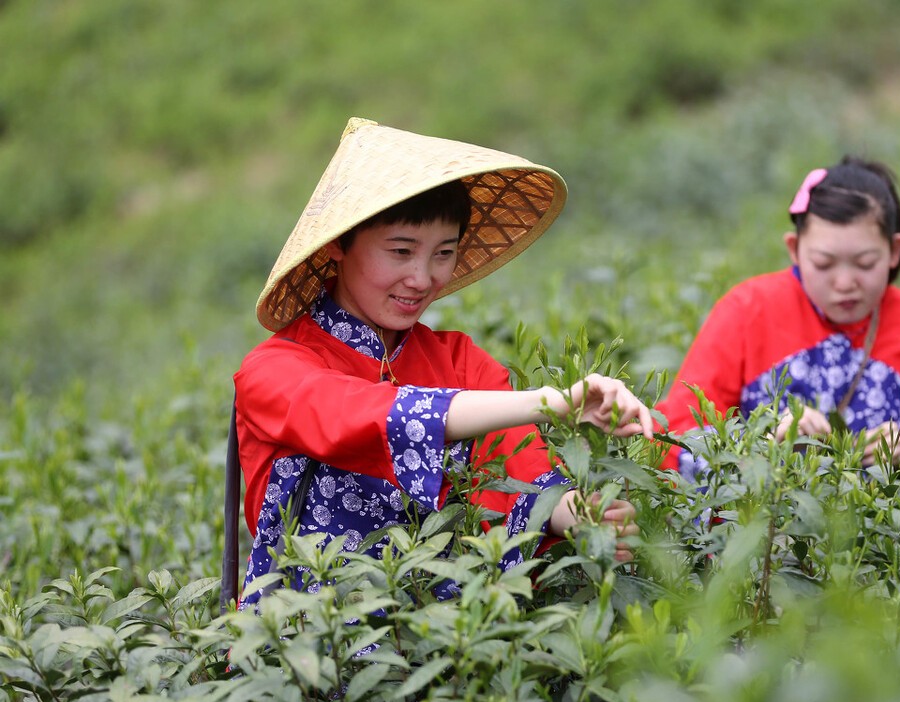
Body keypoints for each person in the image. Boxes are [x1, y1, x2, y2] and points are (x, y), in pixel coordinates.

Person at [234, 117, 653, 608]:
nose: (421, 277)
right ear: (337, 246)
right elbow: (361, 416)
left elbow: (522, 469)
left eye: (443, 253)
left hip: (446, 640)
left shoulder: (460, 361)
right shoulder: (274, 369)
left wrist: (580, 513)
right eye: (401, 251)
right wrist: (550, 402)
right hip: (312, 649)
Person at [657, 156, 900, 480]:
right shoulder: (746, 312)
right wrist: (765, 442)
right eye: (824, 264)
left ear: (894, 251)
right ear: (794, 249)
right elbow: (679, 433)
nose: (845, 283)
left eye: (865, 263)